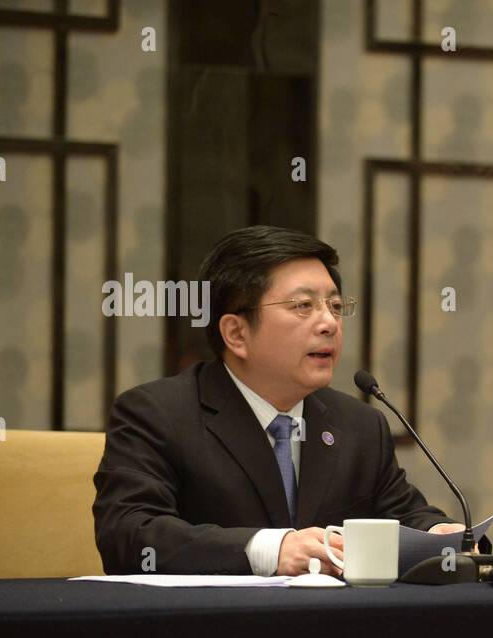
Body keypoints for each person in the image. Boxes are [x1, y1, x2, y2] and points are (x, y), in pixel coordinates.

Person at [93, 225, 469, 576]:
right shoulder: (157, 414)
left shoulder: (358, 424)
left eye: (336, 307)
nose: (329, 324)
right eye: (303, 306)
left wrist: (441, 533)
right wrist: (271, 550)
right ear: (236, 333)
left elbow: (402, 514)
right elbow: (128, 534)